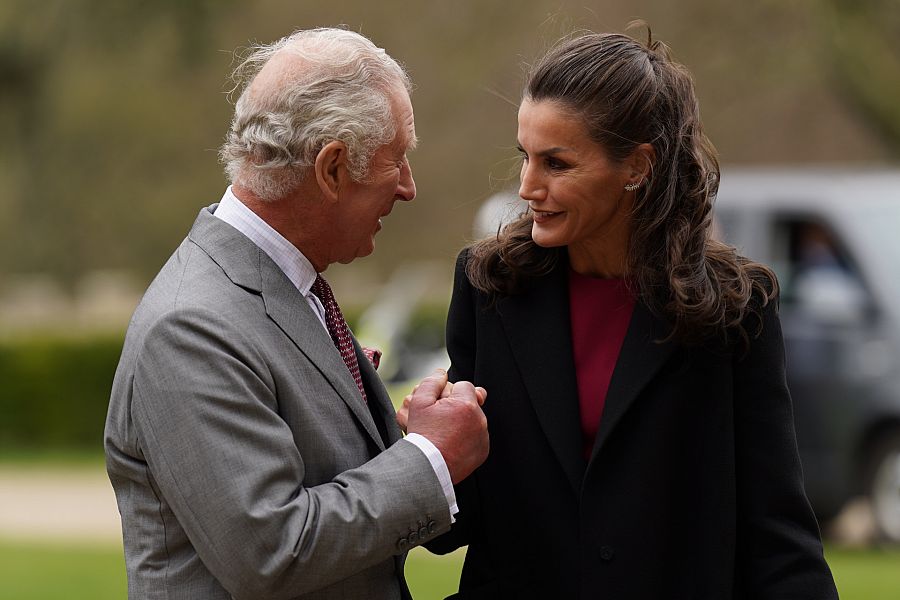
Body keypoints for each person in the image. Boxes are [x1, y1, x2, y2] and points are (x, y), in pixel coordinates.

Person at [410, 28, 839, 598]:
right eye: (525, 157)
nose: (528, 186)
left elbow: (775, 529)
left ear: (637, 166)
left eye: (557, 164)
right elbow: (462, 522)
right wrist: (426, 454)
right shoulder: (489, 288)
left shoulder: (735, 308)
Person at [104, 28, 489, 600]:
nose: (409, 188)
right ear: (332, 169)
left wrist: (399, 437)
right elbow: (271, 553)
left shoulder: (286, 287)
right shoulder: (190, 327)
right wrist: (428, 457)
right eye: (398, 159)